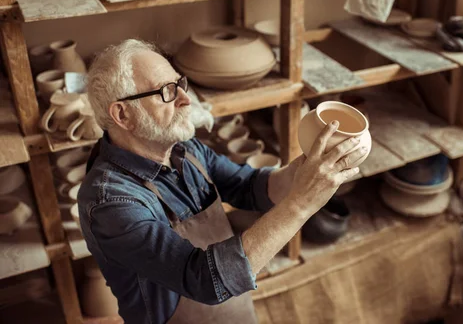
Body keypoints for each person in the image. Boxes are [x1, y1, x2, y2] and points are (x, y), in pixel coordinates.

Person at [79, 39, 367, 324]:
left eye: (180, 84)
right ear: (123, 114)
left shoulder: (184, 150)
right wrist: (301, 203)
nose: (185, 99)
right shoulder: (111, 203)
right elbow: (205, 280)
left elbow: (250, 186)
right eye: (166, 92)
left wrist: (309, 167)